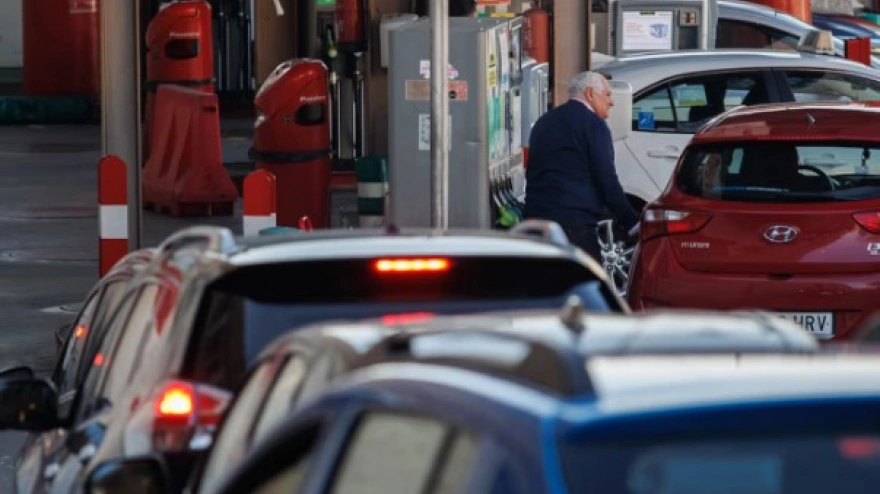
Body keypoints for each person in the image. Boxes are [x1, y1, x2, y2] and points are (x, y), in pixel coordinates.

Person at [524, 71, 640, 261]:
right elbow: (606, 177)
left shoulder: (544, 122)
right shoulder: (594, 125)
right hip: (574, 224)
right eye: (608, 94)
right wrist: (631, 221)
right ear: (590, 93)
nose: (612, 102)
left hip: (537, 221)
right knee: (585, 284)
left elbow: (532, 170)